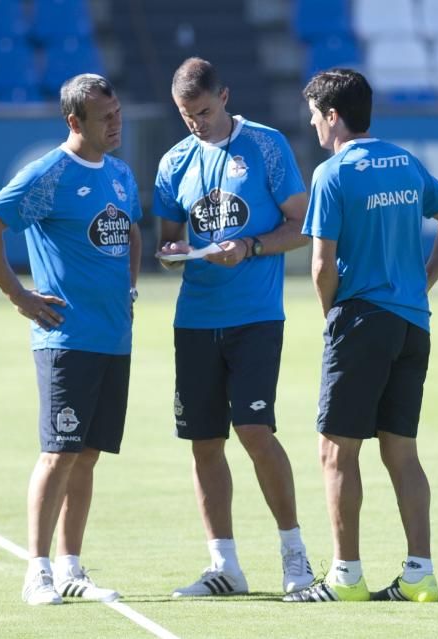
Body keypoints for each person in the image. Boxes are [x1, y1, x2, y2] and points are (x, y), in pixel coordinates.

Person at [283, 68, 438, 604]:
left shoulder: (332, 173)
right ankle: (420, 574)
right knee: (402, 453)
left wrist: (331, 315)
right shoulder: (406, 162)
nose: (315, 125)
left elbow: (321, 265)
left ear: (333, 115)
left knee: (335, 452)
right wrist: (422, 282)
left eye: (317, 115)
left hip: (361, 320)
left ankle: (345, 577)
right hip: (412, 323)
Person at [0, 74, 142, 606]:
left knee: (86, 456)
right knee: (58, 454)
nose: (116, 124)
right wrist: (19, 296)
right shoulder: (48, 174)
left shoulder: (120, 174)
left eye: (117, 113)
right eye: (104, 117)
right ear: (74, 122)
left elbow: (130, 228)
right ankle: (36, 572)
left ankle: (71, 568)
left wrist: (130, 286)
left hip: (114, 337)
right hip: (67, 339)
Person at [153, 57, 314, 597]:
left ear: (224, 96)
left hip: (255, 316)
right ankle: (225, 566)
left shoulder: (267, 146)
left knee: (254, 432)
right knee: (203, 442)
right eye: (184, 115)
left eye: (201, 111)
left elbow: (302, 226)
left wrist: (248, 246)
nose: (195, 123)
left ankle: (295, 557)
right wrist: (176, 251)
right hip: (196, 318)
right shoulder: (174, 161)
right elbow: (168, 240)